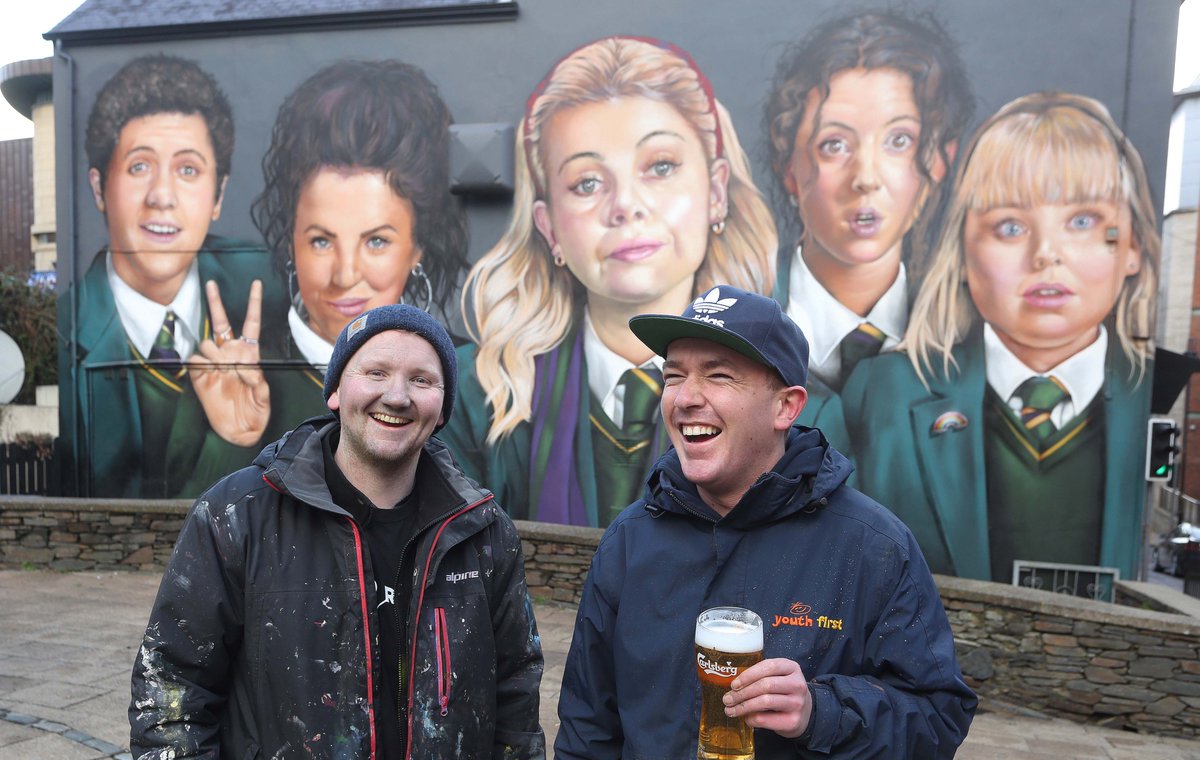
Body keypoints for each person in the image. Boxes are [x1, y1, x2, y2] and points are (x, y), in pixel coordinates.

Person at [545, 285, 976, 760]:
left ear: (786, 407)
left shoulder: (873, 547)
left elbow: (936, 720)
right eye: (674, 374)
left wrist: (820, 714)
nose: (685, 397)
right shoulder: (631, 539)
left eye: (719, 375)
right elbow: (588, 728)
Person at [129, 305, 546, 760]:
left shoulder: (483, 532)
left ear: (444, 406)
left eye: (422, 379)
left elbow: (516, 713)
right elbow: (171, 693)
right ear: (335, 390)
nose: (397, 395)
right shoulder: (238, 516)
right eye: (375, 372)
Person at [443, 35, 835, 529]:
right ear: (549, 227)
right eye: (587, 182)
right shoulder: (475, 395)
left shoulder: (806, 407)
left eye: (660, 166)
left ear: (716, 192)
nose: (625, 205)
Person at [841, 93, 1160, 582]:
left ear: (1133, 246)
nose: (1045, 254)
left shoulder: (1152, 397)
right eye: (1010, 226)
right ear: (962, 252)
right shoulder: (884, 392)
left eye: (1082, 221)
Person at [60, 53, 277, 498]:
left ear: (218, 195)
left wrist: (236, 438)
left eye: (188, 170)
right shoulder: (65, 328)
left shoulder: (278, 289)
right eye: (139, 166)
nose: (162, 196)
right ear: (99, 188)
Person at [243, 59, 469, 442]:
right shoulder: (235, 374)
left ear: (417, 248)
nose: (345, 275)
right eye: (321, 241)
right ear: (291, 241)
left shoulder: (470, 377)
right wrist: (231, 439)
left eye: (376, 241)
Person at [763, 10, 973, 393]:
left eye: (899, 140)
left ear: (940, 159)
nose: (866, 178)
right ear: (788, 166)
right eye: (834, 145)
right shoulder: (726, 318)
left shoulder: (975, 332)